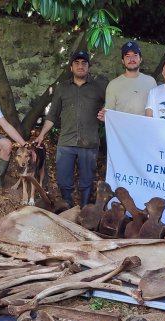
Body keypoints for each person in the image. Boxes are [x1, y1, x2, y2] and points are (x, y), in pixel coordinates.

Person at [34, 51, 106, 207]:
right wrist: (41, 136)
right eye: (77, 63)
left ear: (89, 67)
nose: (80, 66)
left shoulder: (98, 88)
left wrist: (105, 111)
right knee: (64, 180)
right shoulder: (62, 88)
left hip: (89, 143)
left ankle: (84, 209)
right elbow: (52, 115)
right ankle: (69, 207)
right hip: (66, 142)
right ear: (71, 67)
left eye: (84, 63)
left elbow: (111, 106)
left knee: (87, 181)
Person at [99, 41, 157, 118]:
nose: (131, 59)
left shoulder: (151, 82)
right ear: (123, 61)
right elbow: (109, 114)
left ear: (140, 59)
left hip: (145, 129)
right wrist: (104, 117)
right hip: (121, 129)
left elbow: (156, 110)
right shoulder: (113, 85)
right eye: (127, 56)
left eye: (135, 55)